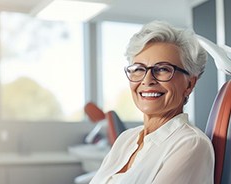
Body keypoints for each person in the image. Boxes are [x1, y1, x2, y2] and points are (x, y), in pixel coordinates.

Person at [89, 21, 215, 184]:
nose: (147, 80)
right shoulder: (126, 139)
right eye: (139, 69)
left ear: (189, 84)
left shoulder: (191, 144)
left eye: (163, 69)